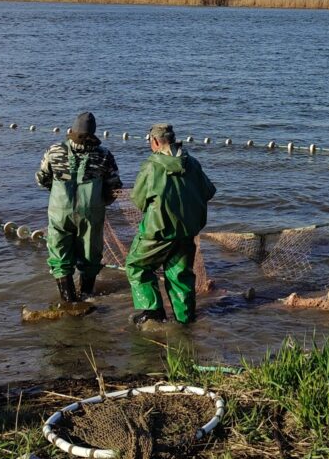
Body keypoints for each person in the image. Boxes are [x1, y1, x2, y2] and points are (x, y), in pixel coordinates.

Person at [125, 123, 217, 327]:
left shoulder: (151, 165)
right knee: (180, 274)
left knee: (137, 266)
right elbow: (209, 191)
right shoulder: (192, 163)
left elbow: (138, 200)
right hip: (187, 231)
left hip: (158, 231)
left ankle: (153, 313)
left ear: (155, 142)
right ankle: (185, 321)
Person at [36, 111, 122, 303]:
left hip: (60, 211)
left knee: (59, 255)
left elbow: (41, 179)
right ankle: (87, 296)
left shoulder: (54, 151)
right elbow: (114, 186)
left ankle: (67, 300)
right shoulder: (104, 155)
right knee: (90, 255)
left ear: (72, 130)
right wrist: (101, 202)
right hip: (90, 213)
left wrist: (58, 192)